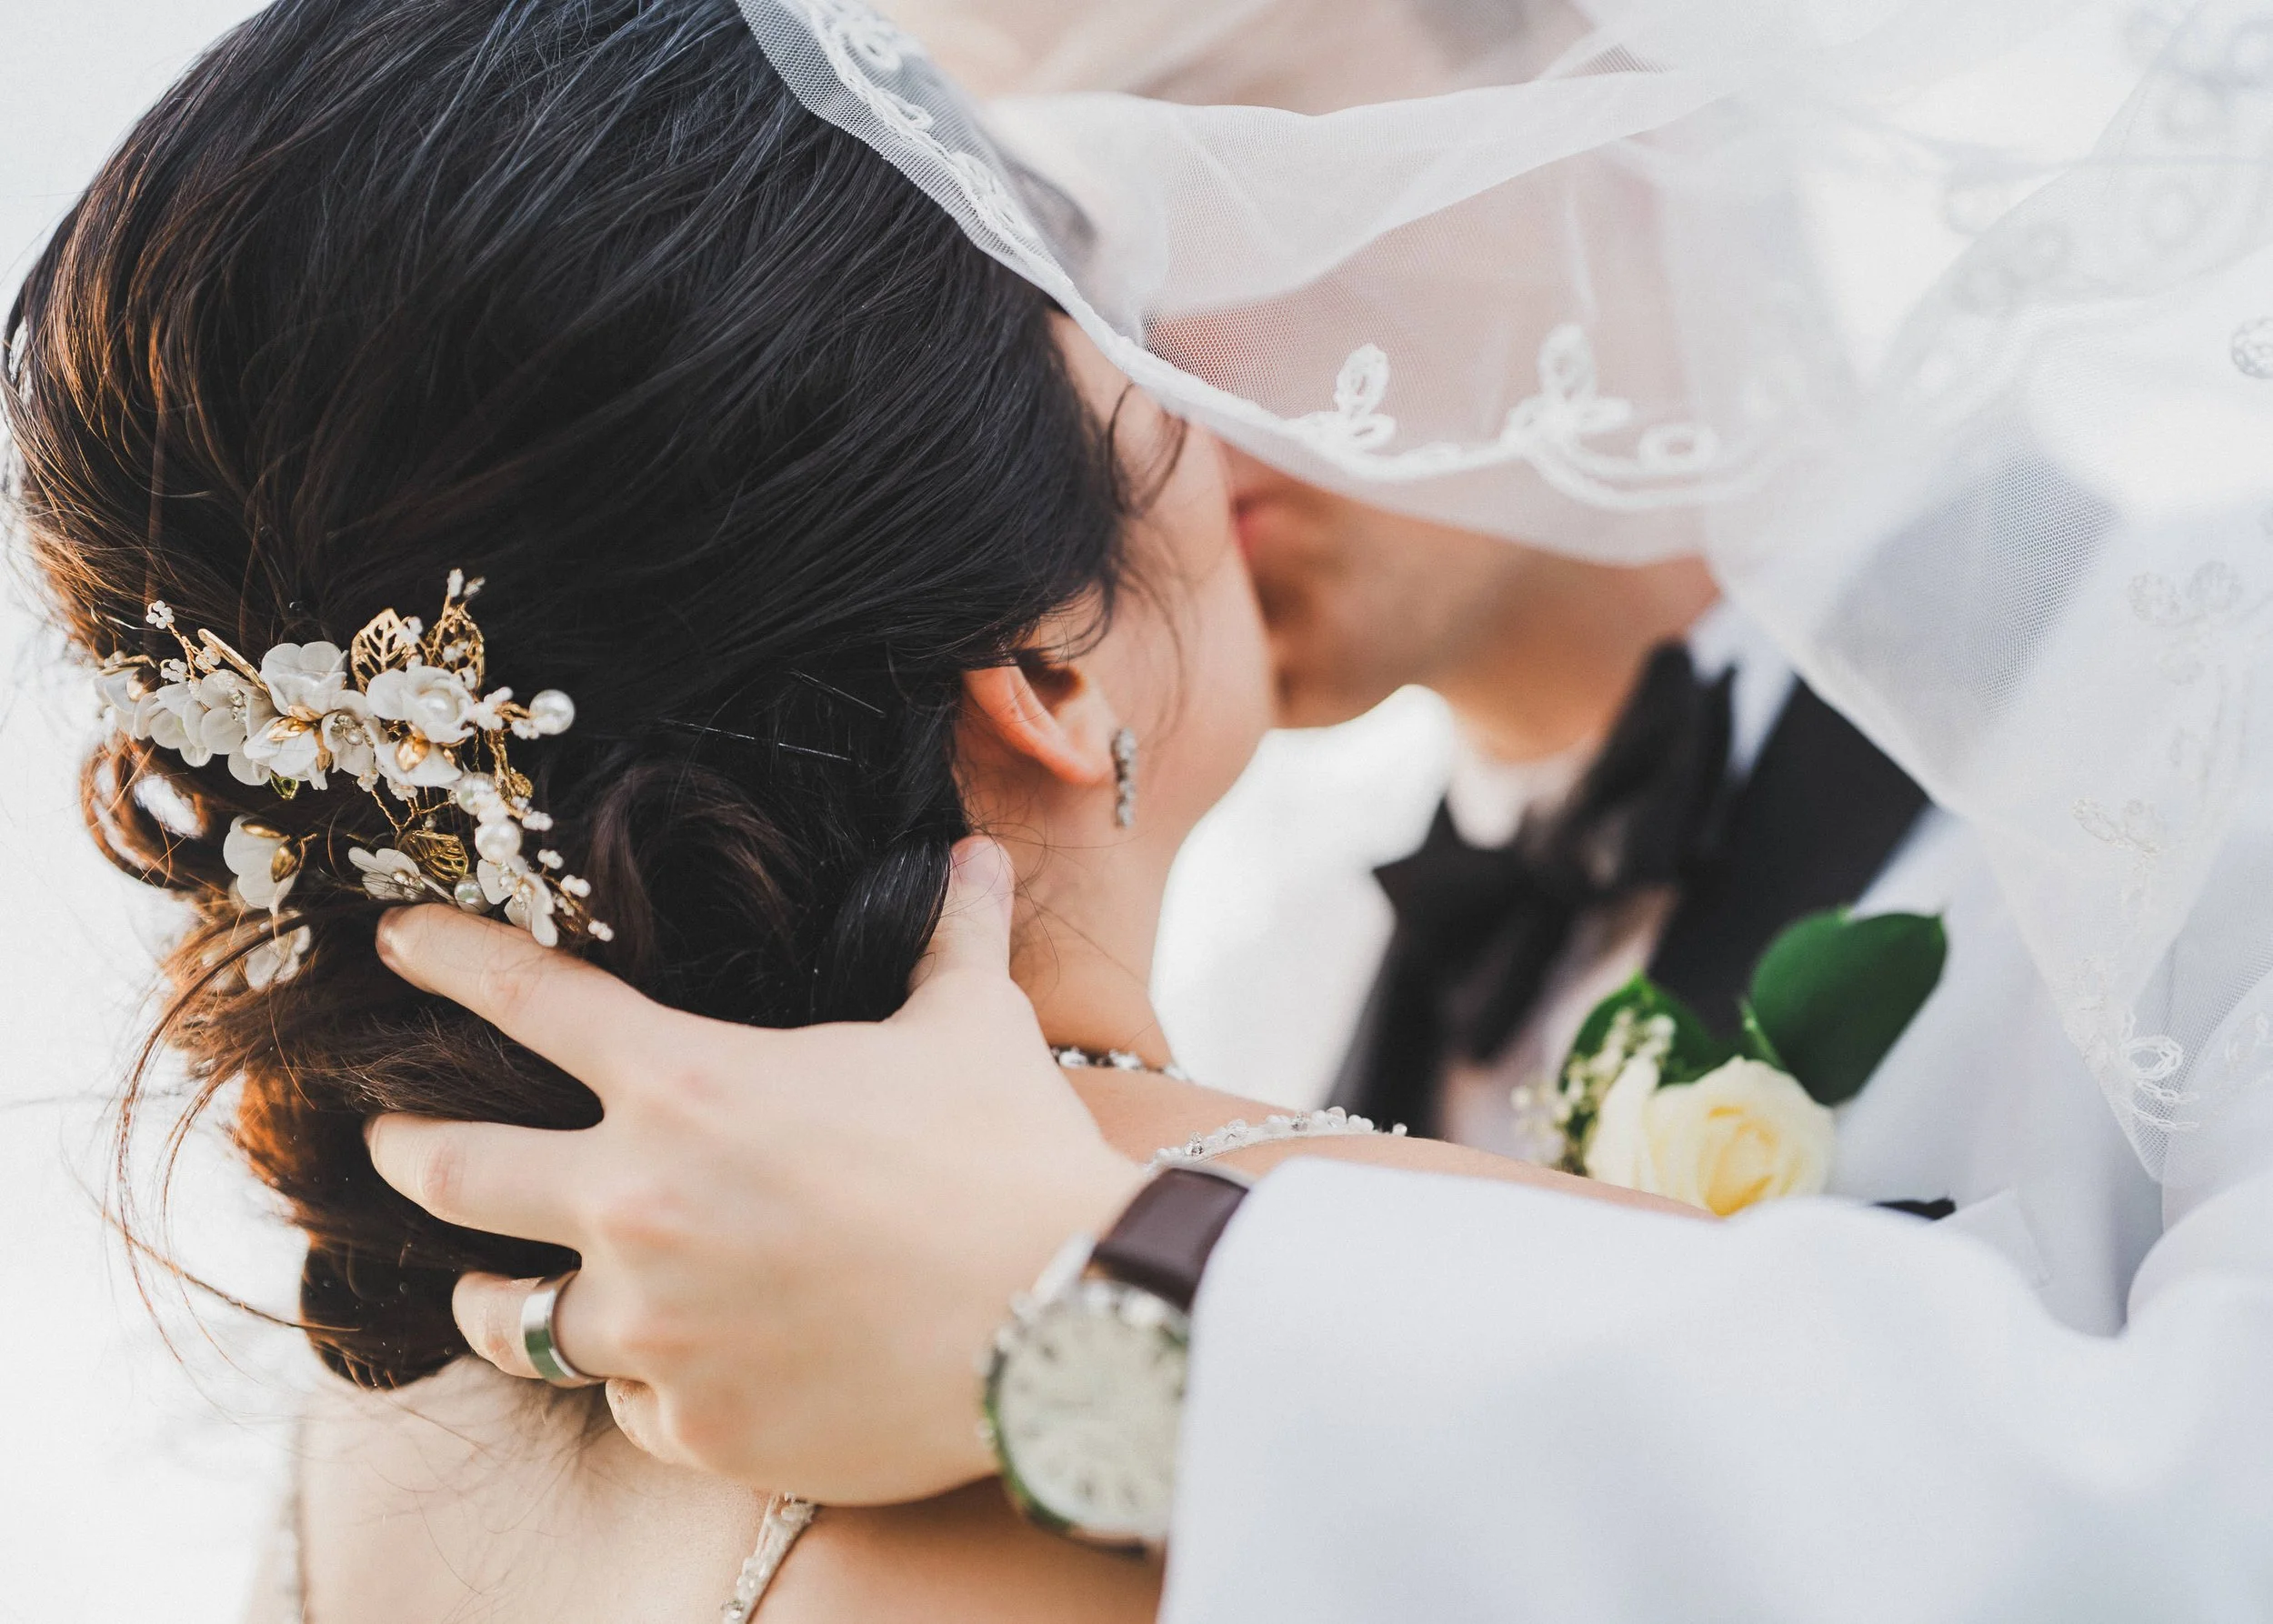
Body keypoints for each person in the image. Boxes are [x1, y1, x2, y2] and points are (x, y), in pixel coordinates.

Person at [5, 3, 1675, 1619]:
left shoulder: (402, 1403)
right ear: (1049, 669)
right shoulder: (1444, 1328)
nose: (1197, 370)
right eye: (1098, 308)